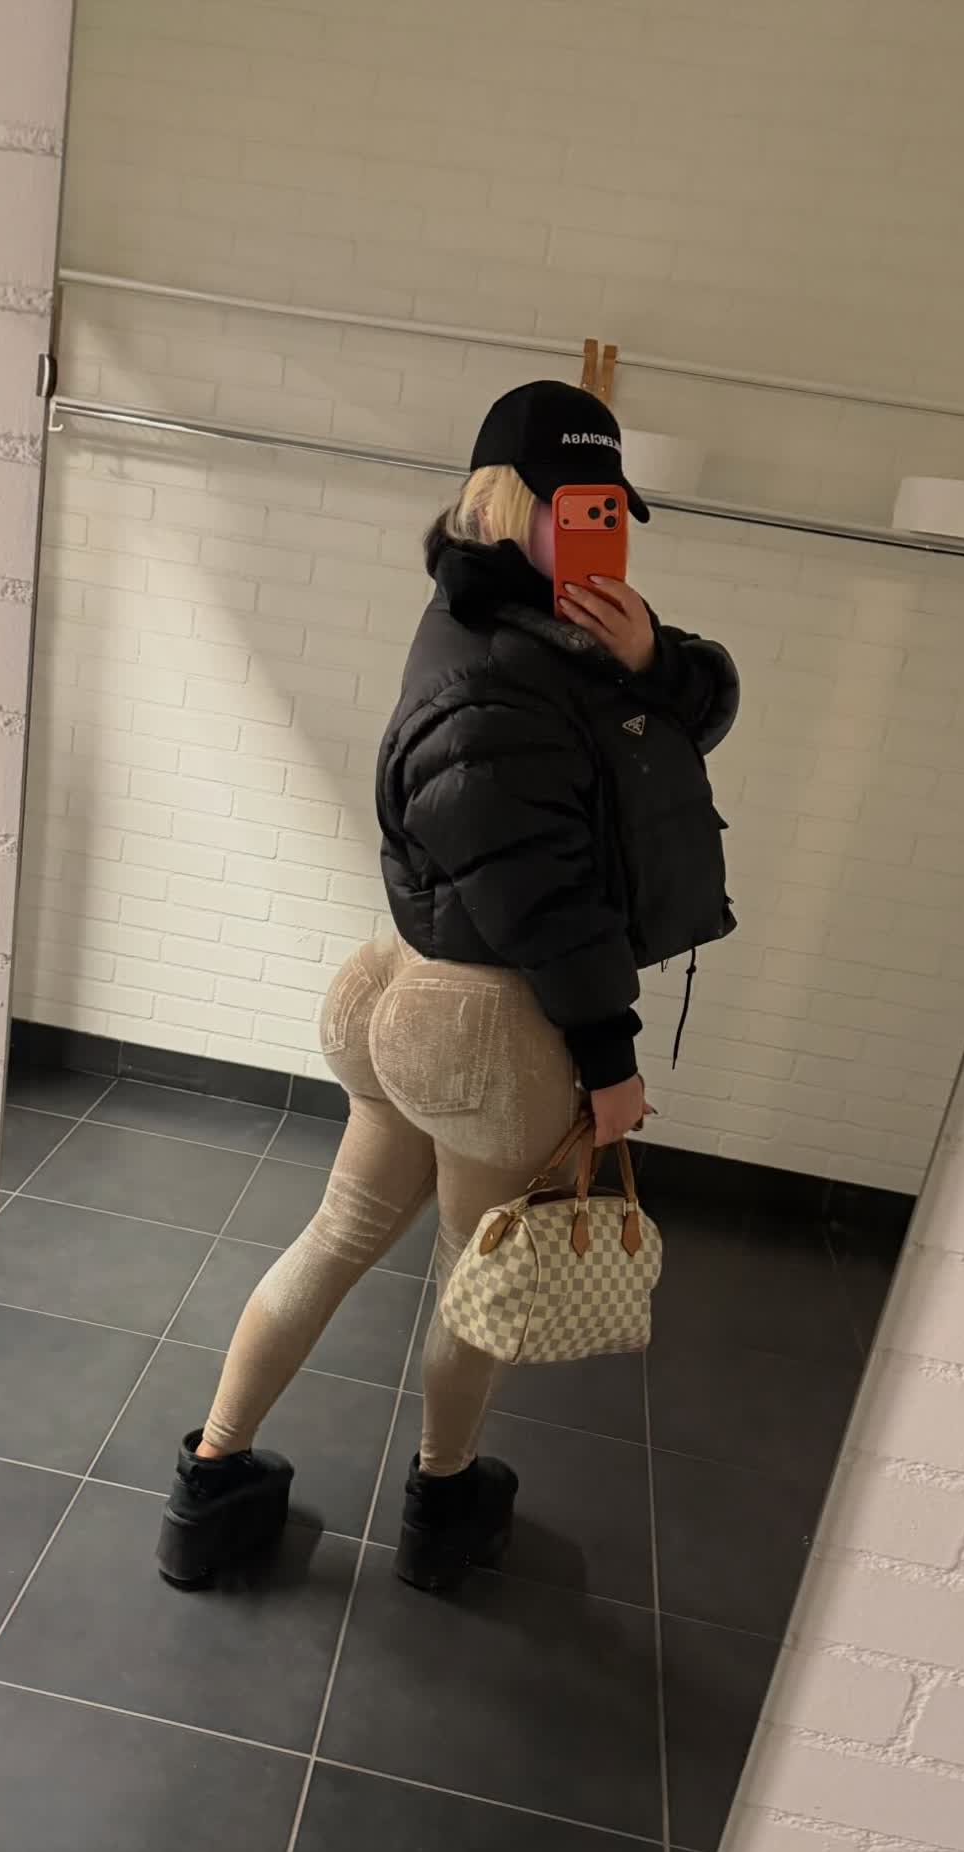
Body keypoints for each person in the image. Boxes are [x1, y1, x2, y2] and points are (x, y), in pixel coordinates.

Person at [157, 380, 739, 1594]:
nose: (605, 533)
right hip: (488, 1022)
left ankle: (213, 1486)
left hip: (409, 987)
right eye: (579, 507)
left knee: (340, 1234)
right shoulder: (500, 668)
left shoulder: (533, 625)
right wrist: (611, 1062)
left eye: (615, 510)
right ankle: (445, 1499)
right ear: (513, 504)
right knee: (478, 1278)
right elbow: (547, 898)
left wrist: (652, 656)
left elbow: (699, 707)